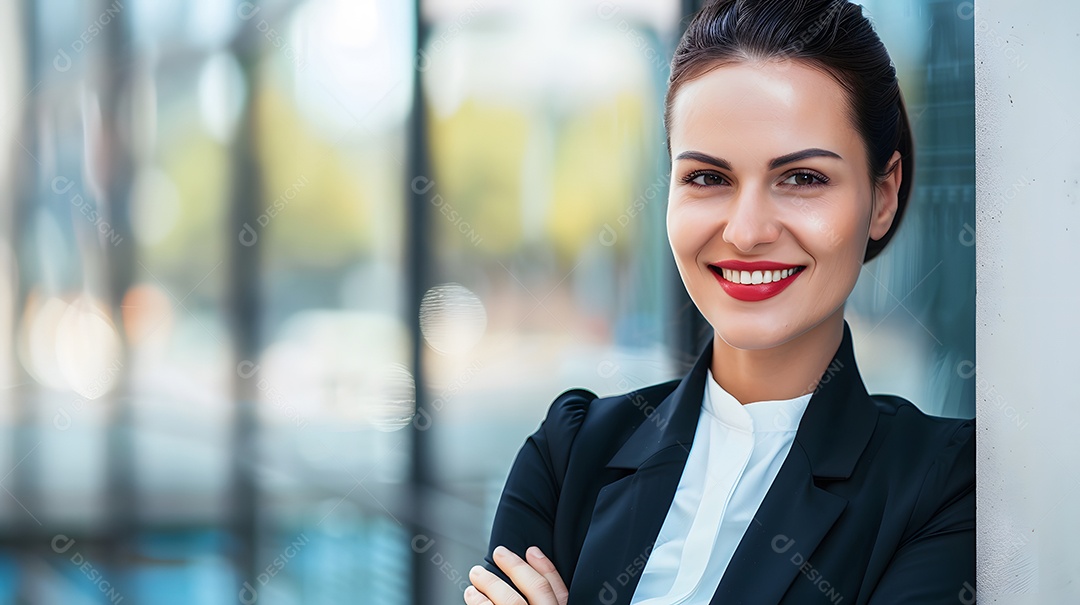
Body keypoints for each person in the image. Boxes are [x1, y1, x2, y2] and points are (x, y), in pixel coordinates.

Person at [463, 0, 975, 603]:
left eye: (802, 178)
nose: (746, 231)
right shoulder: (571, 451)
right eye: (708, 178)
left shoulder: (944, 483)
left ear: (882, 197)